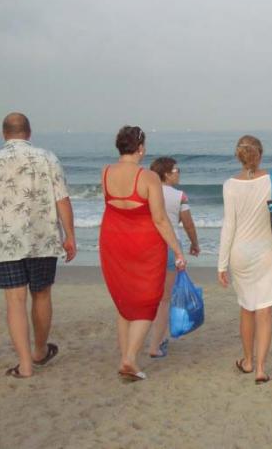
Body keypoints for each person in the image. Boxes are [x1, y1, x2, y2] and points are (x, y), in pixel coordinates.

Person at [0, 113, 76, 378]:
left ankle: (25, 365)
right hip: (43, 239)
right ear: (29, 132)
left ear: (4, 133)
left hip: (7, 242)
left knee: (15, 301)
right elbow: (62, 199)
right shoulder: (48, 158)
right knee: (41, 294)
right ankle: (40, 351)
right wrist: (70, 236)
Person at [99, 126, 186, 382]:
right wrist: (177, 249)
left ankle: (126, 357)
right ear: (140, 148)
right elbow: (159, 219)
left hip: (113, 241)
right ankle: (129, 360)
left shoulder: (105, 172)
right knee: (148, 302)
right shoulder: (147, 177)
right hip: (145, 245)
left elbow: (112, 206)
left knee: (124, 301)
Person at [217, 135, 272, 384]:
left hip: (240, 253)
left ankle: (248, 361)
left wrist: (221, 264)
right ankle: (261, 369)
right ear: (260, 154)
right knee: (265, 311)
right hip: (267, 253)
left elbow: (229, 226)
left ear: (238, 156)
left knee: (246, 308)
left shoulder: (230, 185)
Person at [147, 156, 200, 358]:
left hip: (147, 247)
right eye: (176, 170)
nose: (179, 173)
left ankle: (148, 338)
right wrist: (194, 244)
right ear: (166, 174)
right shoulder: (179, 196)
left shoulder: (147, 192)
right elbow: (188, 224)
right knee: (164, 299)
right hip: (170, 246)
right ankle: (156, 344)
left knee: (150, 295)